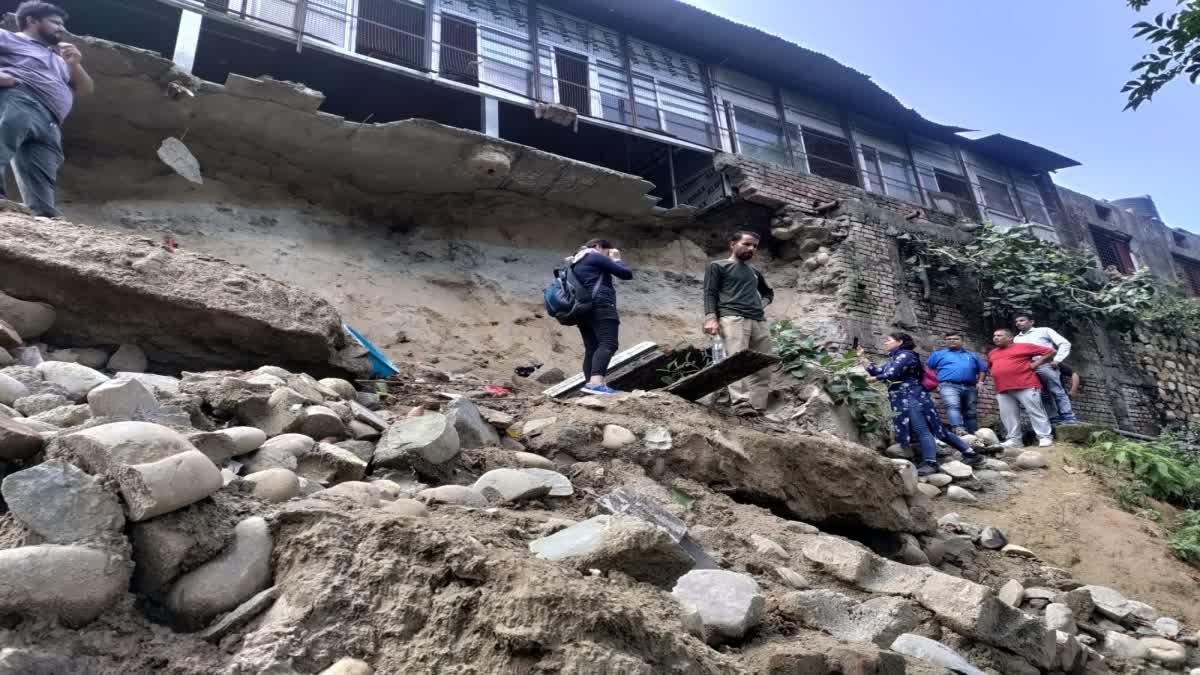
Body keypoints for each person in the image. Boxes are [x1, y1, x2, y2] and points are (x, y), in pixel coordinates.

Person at [0, 2, 92, 217]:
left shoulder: (60, 60)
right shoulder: (9, 38)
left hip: (51, 124)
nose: (61, 28)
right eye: (55, 22)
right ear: (31, 21)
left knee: (41, 180)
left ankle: (44, 223)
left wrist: (75, 64)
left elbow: (86, 89)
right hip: (20, 101)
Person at [858, 332, 985, 476]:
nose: (885, 343)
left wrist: (871, 380)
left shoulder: (906, 355)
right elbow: (878, 370)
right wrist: (862, 357)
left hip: (911, 396)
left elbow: (891, 374)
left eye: (888, 340)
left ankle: (931, 463)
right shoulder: (895, 358)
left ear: (899, 342)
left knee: (922, 429)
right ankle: (971, 454)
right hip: (908, 396)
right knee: (938, 430)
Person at [703, 229, 774, 416]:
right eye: (747, 244)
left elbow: (769, 293)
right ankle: (741, 403)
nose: (751, 248)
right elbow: (710, 293)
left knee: (762, 365)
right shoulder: (718, 266)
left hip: (758, 320)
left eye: (755, 246)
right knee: (737, 360)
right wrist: (711, 318)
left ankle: (758, 408)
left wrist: (761, 304)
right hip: (732, 318)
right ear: (733, 244)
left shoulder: (755, 272)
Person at [570, 238, 632, 395]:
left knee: (592, 348)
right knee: (608, 343)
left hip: (583, 310)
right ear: (598, 247)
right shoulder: (594, 256)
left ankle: (589, 385)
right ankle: (596, 383)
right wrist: (616, 259)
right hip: (601, 306)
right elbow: (626, 274)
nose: (608, 255)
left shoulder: (576, 262)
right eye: (607, 251)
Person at [988, 328, 1056, 448]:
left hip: (1026, 384)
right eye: (994, 335)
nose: (996, 337)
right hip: (1002, 388)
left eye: (999, 335)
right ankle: (1014, 440)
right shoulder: (992, 353)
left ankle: (1044, 437)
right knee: (1008, 415)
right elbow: (992, 367)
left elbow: (1050, 351)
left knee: (1035, 411)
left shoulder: (1024, 346)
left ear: (1009, 338)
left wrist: (1036, 364)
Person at [1013, 312, 1079, 425]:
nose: (1018, 323)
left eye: (1022, 320)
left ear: (1031, 322)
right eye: (1017, 321)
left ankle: (1068, 416)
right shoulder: (1016, 339)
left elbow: (1065, 343)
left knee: (1057, 390)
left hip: (1046, 364)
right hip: (1029, 367)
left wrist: (1057, 359)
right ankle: (1053, 418)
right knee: (1041, 393)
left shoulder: (1044, 330)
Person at [926, 331, 989, 435]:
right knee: (952, 405)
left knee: (971, 411)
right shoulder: (938, 354)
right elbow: (928, 369)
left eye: (955, 339)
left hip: (970, 386)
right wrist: (934, 382)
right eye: (949, 339)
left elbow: (983, 369)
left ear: (962, 341)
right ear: (945, 342)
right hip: (948, 385)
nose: (952, 341)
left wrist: (980, 382)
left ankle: (973, 434)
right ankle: (958, 429)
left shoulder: (972, 355)